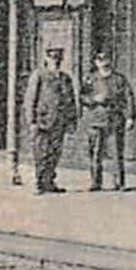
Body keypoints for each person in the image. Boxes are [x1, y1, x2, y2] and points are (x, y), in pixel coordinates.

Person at [22, 47, 79, 194]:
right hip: (43, 121)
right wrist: (32, 121)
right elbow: (30, 99)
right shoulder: (39, 75)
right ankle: (39, 182)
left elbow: (70, 100)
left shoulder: (65, 78)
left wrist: (72, 121)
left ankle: (49, 181)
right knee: (41, 153)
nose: (56, 61)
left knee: (55, 153)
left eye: (59, 58)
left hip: (60, 121)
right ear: (47, 59)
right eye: (53, 57)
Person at [82, 48, 136, 191]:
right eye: (100, 61)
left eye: (106, 60)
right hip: (96, 119)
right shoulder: (90, 79)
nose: (103, 63)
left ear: (111, 62)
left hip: (115, 119)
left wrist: (130, 117)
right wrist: (93, 99)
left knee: (117, 152)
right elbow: (82, 97)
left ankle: (119, 182)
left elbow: (129, 98)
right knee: (95, 152)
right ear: (96, 63)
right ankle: (95, 182)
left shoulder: (119, 79)